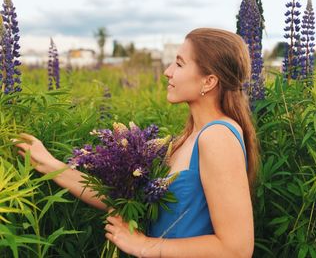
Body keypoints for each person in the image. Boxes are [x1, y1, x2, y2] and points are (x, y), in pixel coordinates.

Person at [13, 28, 260, 258]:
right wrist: (48, 163)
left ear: (209, 81)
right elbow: (123, 199)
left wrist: (144, 245)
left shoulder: (217, 137)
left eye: (180, 63)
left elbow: (236, 248)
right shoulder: (186, 139)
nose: (168, 71)